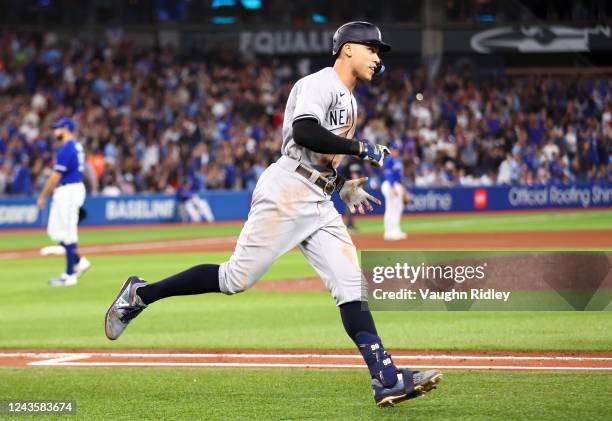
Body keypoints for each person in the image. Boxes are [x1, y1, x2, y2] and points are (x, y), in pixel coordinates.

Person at [104, 21, 442, 407]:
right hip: (287, 191)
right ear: (347, 49)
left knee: (351, 286)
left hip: (319, 199)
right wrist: (361, 148)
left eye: (379, 51)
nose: (377, 57)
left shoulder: (350, 99)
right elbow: (304, 134)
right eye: (372, 48)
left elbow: (323, 156)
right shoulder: (320, 83)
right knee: (234, 278)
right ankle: (140, 293)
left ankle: (385, 377)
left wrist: (342, 184)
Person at [37, 117, 91, 286]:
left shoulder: (68, 147)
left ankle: (70, 276)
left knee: (67, 232)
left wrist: (43, 195)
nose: (55, 131)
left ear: (66, 128)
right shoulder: (75, 146)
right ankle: (79, 262)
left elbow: (56, 175)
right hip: (68, 189)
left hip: (69, 190)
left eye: (58, 128)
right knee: (56, 230)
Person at [381, 141, 408, 240]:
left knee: (398, 207)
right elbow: (388, 175)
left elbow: (400, 177)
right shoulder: (389, 160)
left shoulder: (399, 161)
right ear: (391, 150)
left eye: (396, 149)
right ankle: (388, 232)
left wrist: (403, 190)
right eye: (393, 149)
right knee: (390, 207)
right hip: (389, 185)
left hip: (397, 185)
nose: (395, 151)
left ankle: (396, 230)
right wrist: (393, 187)